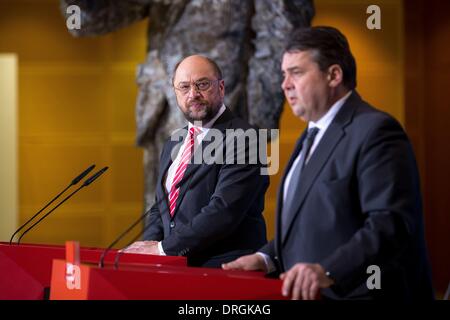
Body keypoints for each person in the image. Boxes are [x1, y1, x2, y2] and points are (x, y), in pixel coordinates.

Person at [60, 0, 315, 238]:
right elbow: (84, 23)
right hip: (162, 112)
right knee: (161, 222)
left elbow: (282, 31)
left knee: (213, 228)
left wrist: (253, 125)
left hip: (225, 112)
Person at [223, 26, 434, 300]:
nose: (285, 84)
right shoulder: (311, 134)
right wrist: (267, 258)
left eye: (296, 72)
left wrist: (328, 271)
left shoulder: (376, 131)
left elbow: (389, 224)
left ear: (334, 75)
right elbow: (313, 225)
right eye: (283, 74)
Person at [122, 55, 268, 267]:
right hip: (177, 269)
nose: (193, 94)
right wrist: (147, 246)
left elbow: (223, 211)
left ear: (221, 87)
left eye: (202, 84)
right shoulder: (174, 142)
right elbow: (160, 207)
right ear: (175, 92)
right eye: (184, 87)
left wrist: (163, 249)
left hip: (225, 270)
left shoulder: (246, 137)